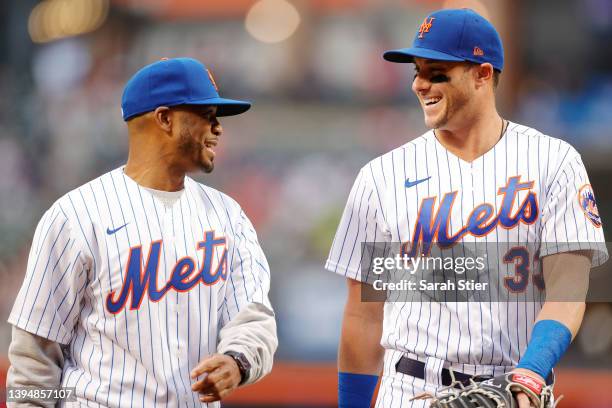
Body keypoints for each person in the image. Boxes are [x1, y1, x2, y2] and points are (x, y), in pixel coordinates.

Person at [326, 8, 607, 408]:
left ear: (482, 74)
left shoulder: (553, 161)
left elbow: (568, 289)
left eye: (436, 72)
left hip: (510, 391)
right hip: (409, 389)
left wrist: (529, 378)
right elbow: (362, 316)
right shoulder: (381, 176)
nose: (420, 85)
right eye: (416, 72)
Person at [7, 57, 277, 407]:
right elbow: (33, 358)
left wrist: (238, 361)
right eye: (206, 115)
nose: (218, 127)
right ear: (164, 118)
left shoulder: (228, 215)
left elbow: (253, 317)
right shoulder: (75, 216)